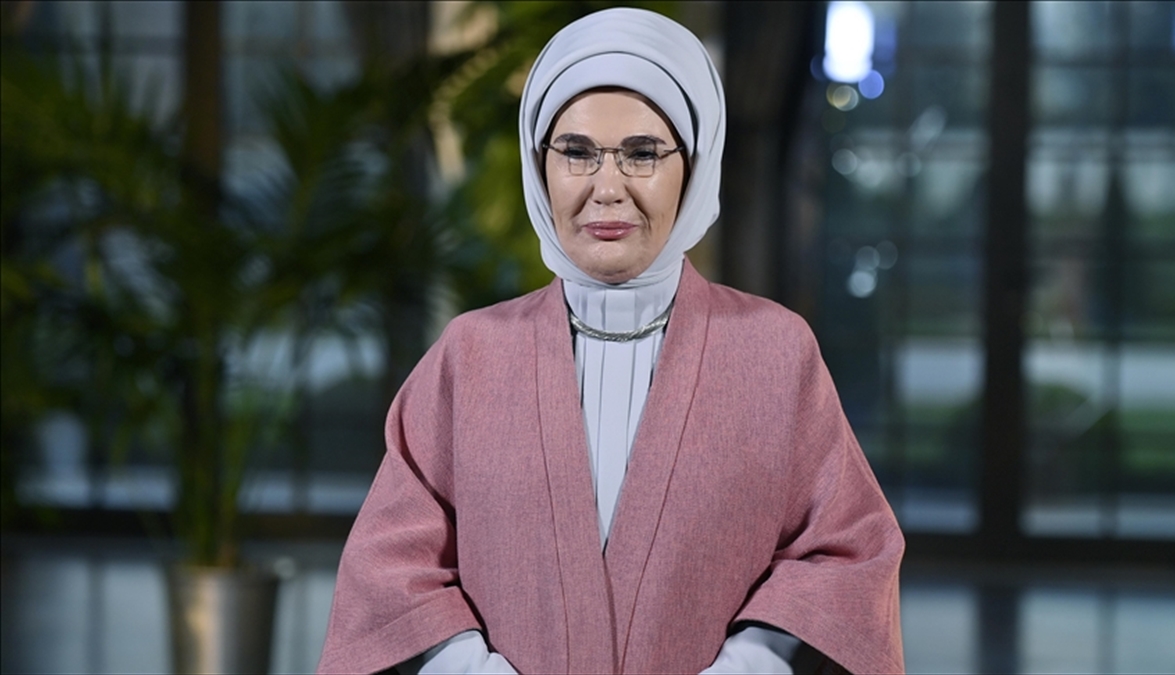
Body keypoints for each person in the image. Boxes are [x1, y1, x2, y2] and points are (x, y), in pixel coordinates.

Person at [316, 8, 904, 675]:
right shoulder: (468, 355)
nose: (607, 188)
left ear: (694, 165)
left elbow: (844, 550)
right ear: (539, 164)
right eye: (576, 152)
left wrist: (747, 667)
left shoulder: (775, 353)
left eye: (643, 153)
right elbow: (390, 564)